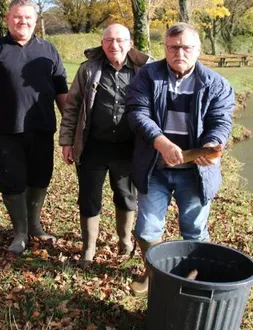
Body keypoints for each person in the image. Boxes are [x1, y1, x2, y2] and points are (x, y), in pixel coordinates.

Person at [125, 23, 235, 295]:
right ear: (165, 48)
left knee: (194, 230)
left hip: (196, 172)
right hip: (155, 168)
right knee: (148, 229)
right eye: (173, 47)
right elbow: (137, 113)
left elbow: (221, 121)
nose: (179, 53)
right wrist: (161, 142)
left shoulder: (216, 84)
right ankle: (154, 275)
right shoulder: (147, 76)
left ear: (198, 49)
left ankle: (195, 275)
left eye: (186, 47)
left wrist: (212, 145)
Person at [0, 0, 68, 254]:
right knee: (11, 181)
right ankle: (20, 232)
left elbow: (62, 93)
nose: (22, 21)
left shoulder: (48, 50)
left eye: (28, 17)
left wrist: (70, 129)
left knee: (40, 178)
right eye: (17, 17)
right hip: (6, 131)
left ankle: (34, 225)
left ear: (35, 20)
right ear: (7, 18)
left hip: (42, 128)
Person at [59, 24, 151, 267]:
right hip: (93, 147)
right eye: (109, 40)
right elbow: (72, 107)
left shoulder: (144, 71)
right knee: (89, 198)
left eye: (120, 40)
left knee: (125, 196)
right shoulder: (88, 70)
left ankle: (125, 242)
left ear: (130, 44)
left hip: (128, 149)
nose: (114, 45)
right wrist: (67, 141)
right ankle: (88, 249)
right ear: (102, 43)